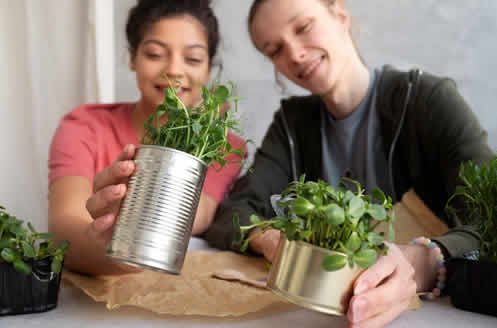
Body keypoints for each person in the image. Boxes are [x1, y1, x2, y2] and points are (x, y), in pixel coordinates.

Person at [204, 0, 494, 327]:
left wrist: (423, 263)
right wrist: (273, 240)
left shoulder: (427, 100)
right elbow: (235, 211)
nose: (295, 54)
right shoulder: (293, 125)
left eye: (302, 28)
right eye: (275, 50)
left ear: (339, 14)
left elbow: (489, 217)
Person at [48, 0, 246, 276]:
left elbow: (197, 216)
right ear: (132, 58)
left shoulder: (223, 144)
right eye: (155, 54)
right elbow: (63, 227)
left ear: (209, 68)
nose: (175, 70)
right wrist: (114, 246)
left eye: (193, 59)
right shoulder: (85, 126)